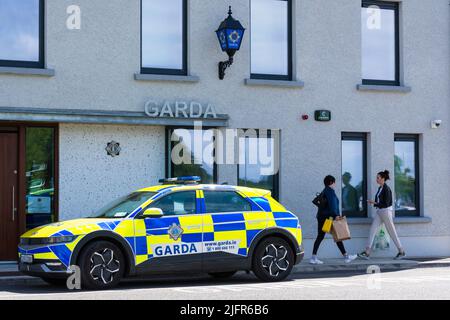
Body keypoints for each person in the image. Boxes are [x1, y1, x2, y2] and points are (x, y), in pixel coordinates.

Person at [358, 170, 406, 260]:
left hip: (386, 212)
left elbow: (386, 203)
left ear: (383, 179)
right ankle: (367, 252)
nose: (376, 179)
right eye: (377, 177)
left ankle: (401, 251)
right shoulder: (380, 188)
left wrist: (374, 203)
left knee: (392, 232)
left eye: (378, 178)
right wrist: (375, 203)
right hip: (380, 212)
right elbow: (380, 203)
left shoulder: (387, 189)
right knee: (372, 229)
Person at [310, 175, 357, 264]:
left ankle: (313, 258)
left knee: (322, 236)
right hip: (329, 218)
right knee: (337, 235)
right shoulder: (330, 192)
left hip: (322, 217)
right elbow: (332, 205)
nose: (335, 184)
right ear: (331, 182)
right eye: (334, 182)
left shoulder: (324, 191)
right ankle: (346, 257)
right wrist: (336, 215)